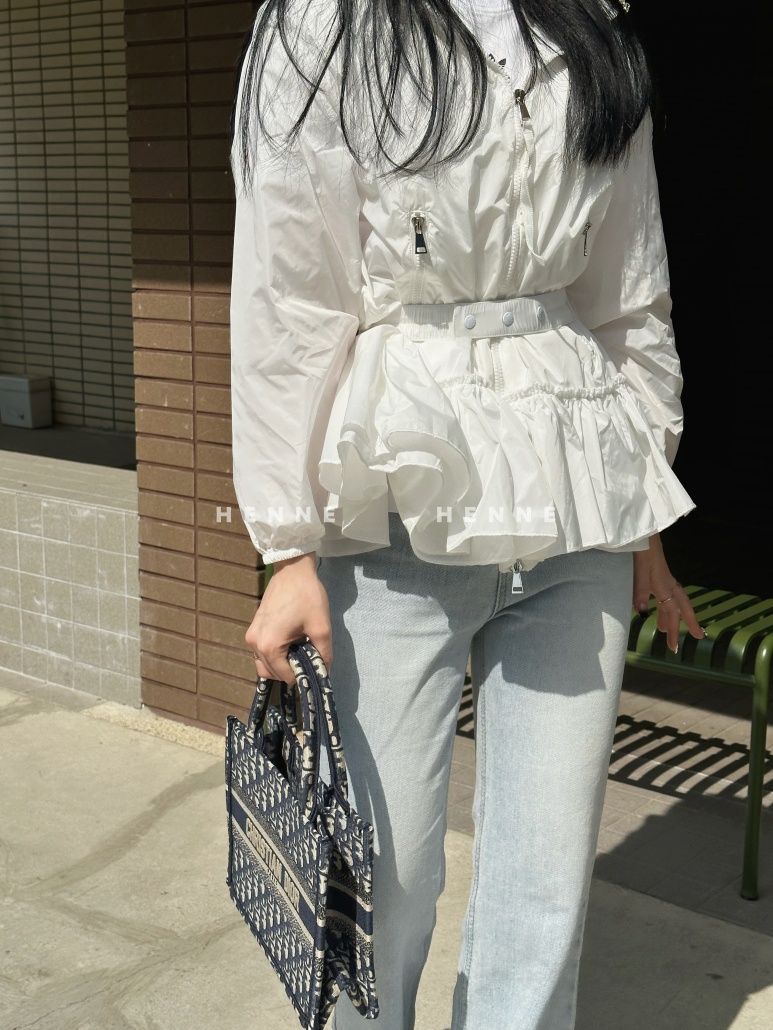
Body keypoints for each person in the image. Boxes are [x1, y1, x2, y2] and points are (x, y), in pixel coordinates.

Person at [229, 1, 705, 1027]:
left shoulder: (591, 25)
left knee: (546, 876)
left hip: (576, 501)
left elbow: (629, 293)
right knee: (382, 878)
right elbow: (288, 297)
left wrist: (641, 516)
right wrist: (288, 544)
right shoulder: (327, 24)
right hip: (398, 504)